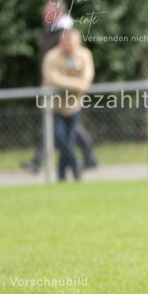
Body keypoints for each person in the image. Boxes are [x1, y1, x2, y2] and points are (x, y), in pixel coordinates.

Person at [22, 0, 99, 173]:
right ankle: (84, 158)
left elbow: (78, 66)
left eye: (47, 11)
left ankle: (79, 160)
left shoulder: (64, 32)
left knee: (65, 129)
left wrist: (76, 84)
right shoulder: (51, 31)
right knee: (58, 128)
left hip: (68, 93)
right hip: (53, 89)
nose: (44, 15)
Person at [41, 27, 94, 181]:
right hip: (54, 107)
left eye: (71, 42)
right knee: (61, 140)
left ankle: (61, 175)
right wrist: (78, 85)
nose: (68, 46)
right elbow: (53, 79)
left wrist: (77, 84)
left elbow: (88, 76)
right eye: (66, 42)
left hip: (74, 106)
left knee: (69, 141)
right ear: (60, 42)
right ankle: (76, 169)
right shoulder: (51, 57)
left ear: (78, 42)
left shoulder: (84, 55)